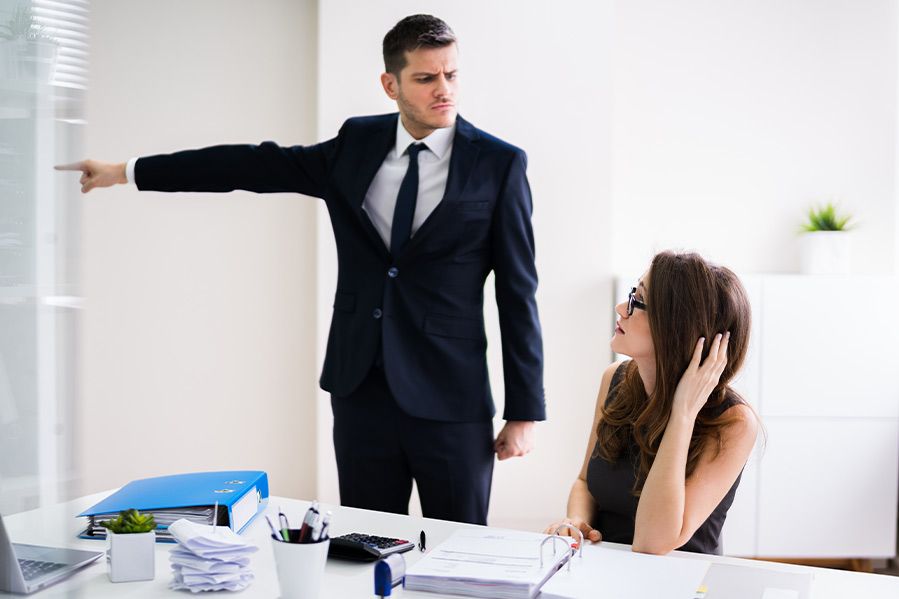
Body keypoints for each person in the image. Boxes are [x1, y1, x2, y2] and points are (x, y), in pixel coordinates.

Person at [55, 14, 545, 525]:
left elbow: (517, 293)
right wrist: (127, 172)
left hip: (452, 400)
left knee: (458, 552)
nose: (444, 90)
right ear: (390, 85)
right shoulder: (356, 144)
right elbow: (251, 165)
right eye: (426, 78)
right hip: (360, 394)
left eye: (451, 74)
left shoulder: (498, 164)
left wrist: (524, 410)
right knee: (364, 543)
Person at [544, 251, 758, 555]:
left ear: (677, 326)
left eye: (637, 302)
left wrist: (682, 413)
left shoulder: (733, 422)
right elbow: (585, 482)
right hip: (602, 569)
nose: (621, 308)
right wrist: (577, 521)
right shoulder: (614, 380)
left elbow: (652, 542)